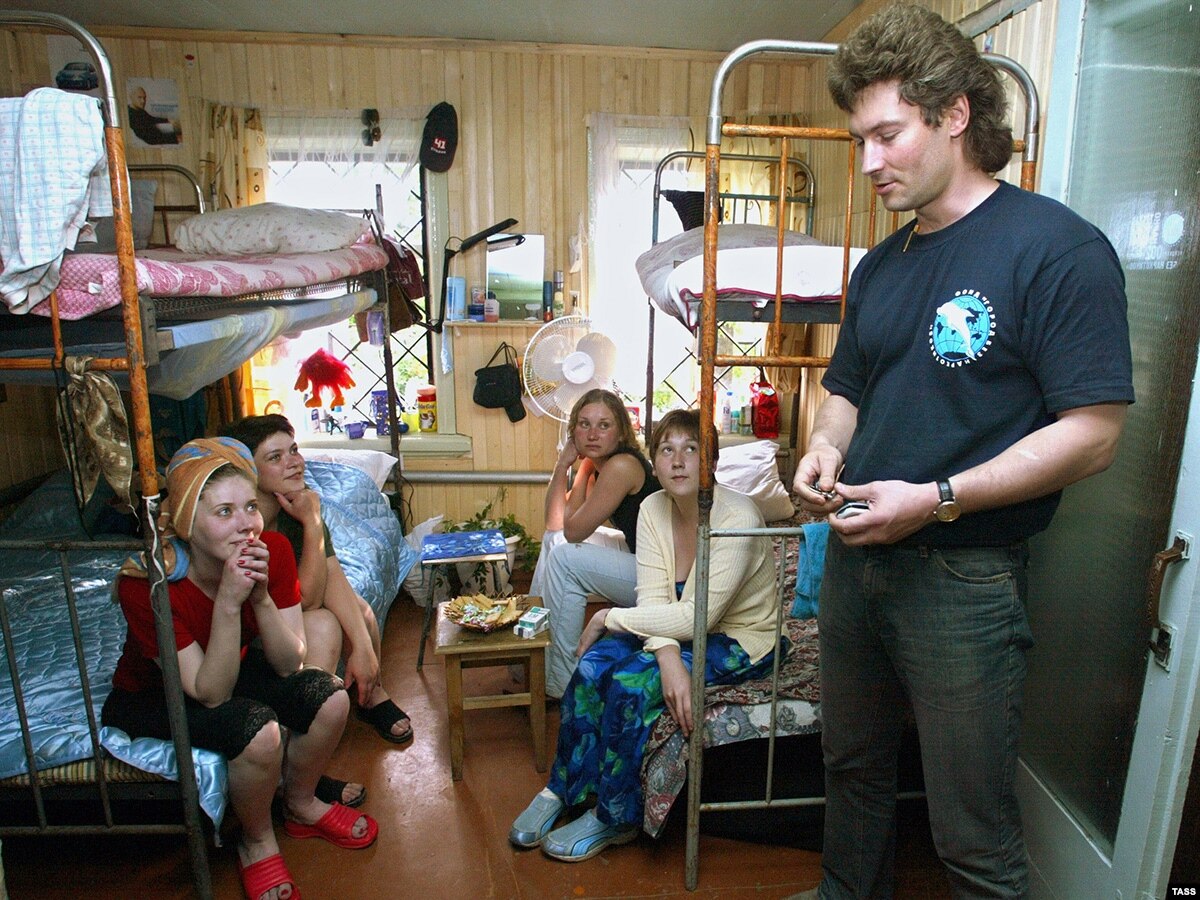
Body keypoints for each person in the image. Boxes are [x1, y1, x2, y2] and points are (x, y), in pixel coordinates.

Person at [790, 6, 1134, 898]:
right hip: (857, 559)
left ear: (954, 114)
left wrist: (936, 497)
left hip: (963, 578)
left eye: (887, 135)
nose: (869, 162)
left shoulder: (1055, 249)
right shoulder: (882, 265)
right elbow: (847, 391)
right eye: (860, 140)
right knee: (851, 769)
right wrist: (823, 448)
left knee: (971, 833)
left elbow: (1094, 435)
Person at [101, 438, 378, 900]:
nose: (246, 523)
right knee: (259, 731)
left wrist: (262, 597)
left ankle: (301, 803)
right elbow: (210, 693)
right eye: (224, 512)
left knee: (329, 697)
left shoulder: (272, 549)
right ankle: (256, 840)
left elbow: (290, 663)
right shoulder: (150, 585)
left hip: (228, 665)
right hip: (153, 696)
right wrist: (229, 603)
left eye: (250, 507)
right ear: (187, 522)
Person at [510, 410, 787, 861]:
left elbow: (699, 617)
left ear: (712, 461)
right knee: (592, 665)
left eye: (692, 449)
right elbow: (657, 598)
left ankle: (615, 817)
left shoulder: (738, 515)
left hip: (739, 635)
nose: (678, 460)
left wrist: (610, 618)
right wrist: (667, 656)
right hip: (679, 624)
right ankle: (563, 788)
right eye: (667, 449)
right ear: (653, 463)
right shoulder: (653, 509)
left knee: (631, 682)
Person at [223, 414, 413, 746]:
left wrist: (364, 649)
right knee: (324, 623)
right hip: (249, 634)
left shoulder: (298, 503)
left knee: (361, 611)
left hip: (284, 611)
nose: (294, 463)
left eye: (294, 450)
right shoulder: (242, 528)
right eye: (275, 457)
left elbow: (333, 574)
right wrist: (312, 524)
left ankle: (371, 693)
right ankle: (302, 727)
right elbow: (307, 599)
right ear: (248, 471)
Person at [529, 388, 661, 698]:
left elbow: (574, 532)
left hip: (659, 576)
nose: (592, 434)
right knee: (553, 542)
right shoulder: (600, 465)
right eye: (584, 424)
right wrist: (566, 465)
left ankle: (561, 681)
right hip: (642, 557)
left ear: (621, 432)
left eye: (604, 425)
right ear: (573, 430)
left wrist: (582, 466)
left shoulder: (621, 466)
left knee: (565, 558)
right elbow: (556, 524)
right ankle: (535, 647)